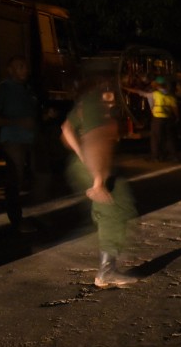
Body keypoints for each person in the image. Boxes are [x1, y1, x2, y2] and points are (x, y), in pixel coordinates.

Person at [60, 77, 139, 288]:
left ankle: (106, 268)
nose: (115, 98)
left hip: (87, 163)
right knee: (115, 208)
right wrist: (98, 181)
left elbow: (66, 129)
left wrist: (81, 155)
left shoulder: (86, 102)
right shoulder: (97, 104)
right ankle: (106, 272)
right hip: (96, 166)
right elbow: (96, 139)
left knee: (110, 209)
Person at [0, 56, 48, 233]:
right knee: (15, 180)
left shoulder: (27, 90)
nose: (25, 70)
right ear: (11, 70)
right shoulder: (3, 89)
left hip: (31, 140)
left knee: (39, 176)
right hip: (13, 141)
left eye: (25, 66)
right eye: (20, 67)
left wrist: (45, 117)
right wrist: (18, 123)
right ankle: (16, 221)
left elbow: (33, 116)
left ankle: (37, 216)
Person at [149, 75, 179, 161]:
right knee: (168, 138)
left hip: (157, 119)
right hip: (168, 118)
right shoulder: (170, 95)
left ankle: (156, 157)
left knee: (155, 138)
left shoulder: (155, 94)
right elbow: (175, 108)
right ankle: (173, 156)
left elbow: (151, 102)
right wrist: (177, 117)